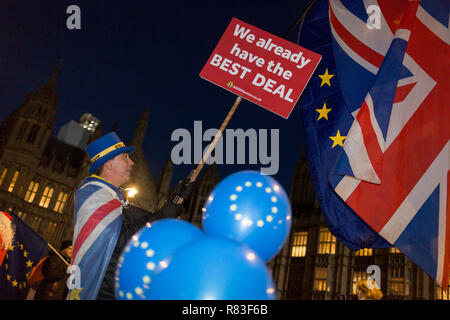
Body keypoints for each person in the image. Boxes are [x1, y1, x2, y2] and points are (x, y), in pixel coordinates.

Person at [69, 132, 191, 300]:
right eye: (125, 157)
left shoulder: (114, 198)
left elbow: (144, 219)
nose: (132, 162)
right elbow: (119, 237)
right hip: (99, 292)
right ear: (109, 164)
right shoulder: (92, 195)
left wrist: (172, 202)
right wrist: (162, 215)